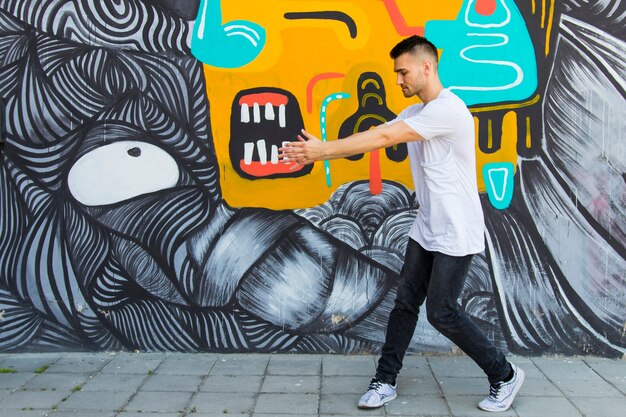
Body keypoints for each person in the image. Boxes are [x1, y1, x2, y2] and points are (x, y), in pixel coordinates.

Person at [281, 35, 524, 413]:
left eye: (402, 71)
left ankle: (504, 375)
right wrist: (324, 149)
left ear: (426, 67)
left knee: (441, 311)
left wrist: (323, 149)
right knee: (405, 304)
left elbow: (384, 135)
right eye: (396, 73)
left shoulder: (449, 110)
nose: (398, 80)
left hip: (456, 231)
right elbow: (377, 139)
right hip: (426, 228)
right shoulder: (415, 115)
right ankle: (384, 380)